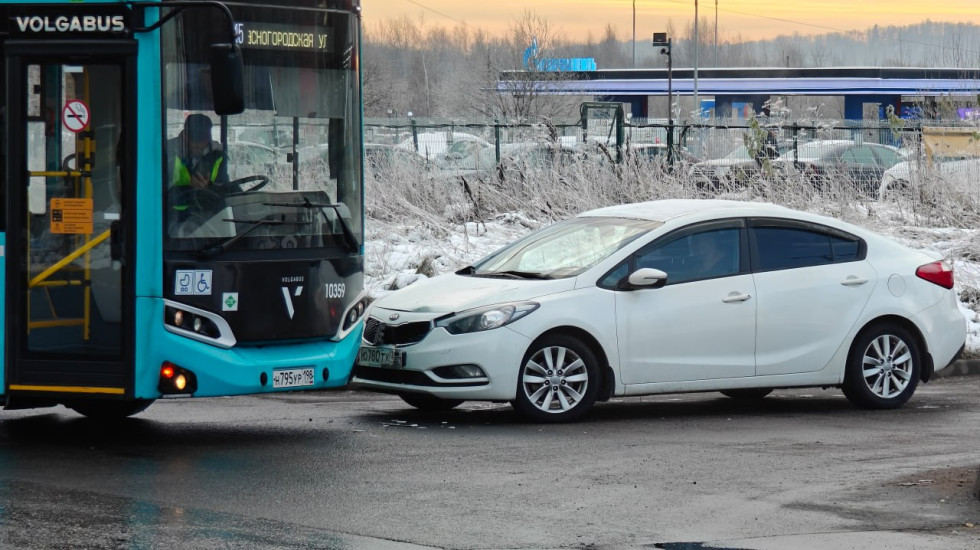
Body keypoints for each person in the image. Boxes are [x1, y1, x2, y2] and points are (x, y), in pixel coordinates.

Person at [167, 113, 229, 215]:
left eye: (204, 145)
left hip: (208, 216)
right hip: (172, 218)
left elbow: (225, 189)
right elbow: (157, 196)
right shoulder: (166, 153)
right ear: (184, 136)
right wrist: (190, 188)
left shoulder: (217, 156)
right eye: (196, 145)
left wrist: (208, 187)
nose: (200, 148)